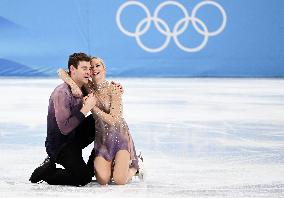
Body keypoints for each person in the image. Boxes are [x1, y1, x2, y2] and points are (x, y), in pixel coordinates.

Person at [58, 56, 143, 185]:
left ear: (104, 69)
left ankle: (136, 169)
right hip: (102, 139)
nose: (94, 69)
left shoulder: (114, 89)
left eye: (98, 65)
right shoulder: (88, 87)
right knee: (103, 180)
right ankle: (115, 165)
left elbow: (113, 120)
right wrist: (72, 85)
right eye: (91, 67)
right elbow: (61, 72)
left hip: (120, 138)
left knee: (119, 180)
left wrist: (93, 107)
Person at [29, 52, 98, 186]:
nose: (88, 72)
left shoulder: (83, 86)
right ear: (73, 69)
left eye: (89, 69)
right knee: (83, 178)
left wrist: (117, 89)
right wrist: (85, 108)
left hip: (74, 138)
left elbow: (62, 72)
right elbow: (65, 129)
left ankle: (98, 160)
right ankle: (46, 172)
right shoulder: (62, 93)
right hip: (60, 146)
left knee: (100, 122)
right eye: (84, 68)